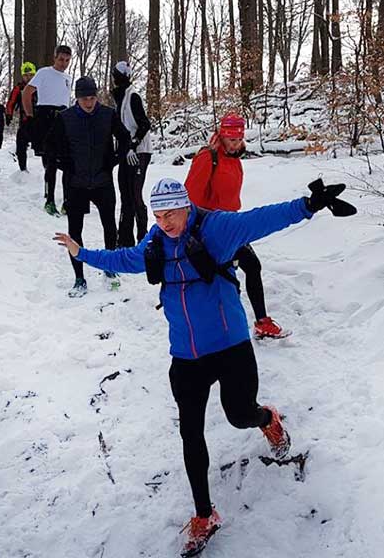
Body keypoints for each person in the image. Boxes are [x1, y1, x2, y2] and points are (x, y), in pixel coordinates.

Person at [52, 177, 356, 557]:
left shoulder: (216, 229)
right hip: (186, 357)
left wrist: (307, 205)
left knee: (239, 414)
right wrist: (82, 253)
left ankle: (267, 420)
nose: (165, 223)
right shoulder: (157, 242)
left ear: (187, 207)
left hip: (231, 347)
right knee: (190, 435)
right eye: (158, 215)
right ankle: (204, 514)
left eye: (171, 214)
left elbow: (260, 220)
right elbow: (126, 258)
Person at [185, 113, 287, 340]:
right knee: (220, 279)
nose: (236, 144)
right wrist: (194, 234)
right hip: (209, 229)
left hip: (231, 226)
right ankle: (215, 331)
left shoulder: (234, 158)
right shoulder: (207, 157)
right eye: (231, 140)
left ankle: (261, 323)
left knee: (252, 266)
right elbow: (189, 198)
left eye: (239, 140)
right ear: (222, 136)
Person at [48, 75, 130, 297]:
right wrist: (66, 166)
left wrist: (113, 160)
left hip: (103, 181)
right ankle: (79, 277)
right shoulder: (65, 118)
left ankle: (110, 269)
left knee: (109, 227)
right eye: (85, 98)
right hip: (76, 184)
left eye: (93, 97)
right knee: (75, 231)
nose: (89, 102)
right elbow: (52, 147)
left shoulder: (107, 114)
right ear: (77, 98)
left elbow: (124, 138)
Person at [22, 45, 73, 215]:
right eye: (60, 59)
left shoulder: (68, 77)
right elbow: (27, 93)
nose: (63, 63)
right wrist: (30, 115)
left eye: (67, 60)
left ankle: (67, 201)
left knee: (67, 162)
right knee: (51, 161)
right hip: (46, 116)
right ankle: (49, 200)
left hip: (64, 118)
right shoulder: (44, 73)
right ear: (54, 58)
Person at [111, 61, 153, 247]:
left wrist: (133, 144)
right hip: (125, 153)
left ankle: (143, 239)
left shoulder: (132, 96)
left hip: (139, 153)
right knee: (125, 195)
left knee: (135, 195)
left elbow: (144, 124)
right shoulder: (120, 98)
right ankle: (125, 239)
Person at [6, 61, 37, 172]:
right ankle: (23, 170)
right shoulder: (19, 88)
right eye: (26, 75)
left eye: (31, 75)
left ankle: (46, 170)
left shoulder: (40, 86)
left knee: (44, 147)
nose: (28, 77)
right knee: (21, 146)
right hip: (25, 122)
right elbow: (11, 102)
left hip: (40, 121)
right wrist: (8, 114)